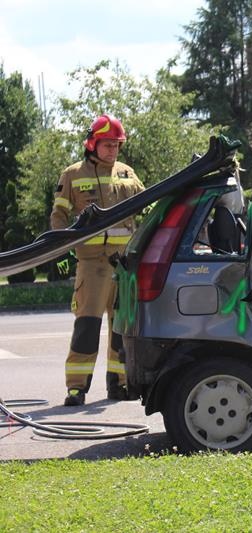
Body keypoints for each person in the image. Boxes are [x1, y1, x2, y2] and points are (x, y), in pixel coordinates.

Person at [50, 114, 145, 406]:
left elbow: (147, 207)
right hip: (92, 265)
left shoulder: (127, 174)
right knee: (87, 327)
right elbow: (59, 216)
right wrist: (60, 251)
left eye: (116, 145)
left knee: (122, 330)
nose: (113, 150)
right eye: (107, 144)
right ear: (92, 144)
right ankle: (76, 388)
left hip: (124, 265)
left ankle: (119, 383)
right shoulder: (73, 174)